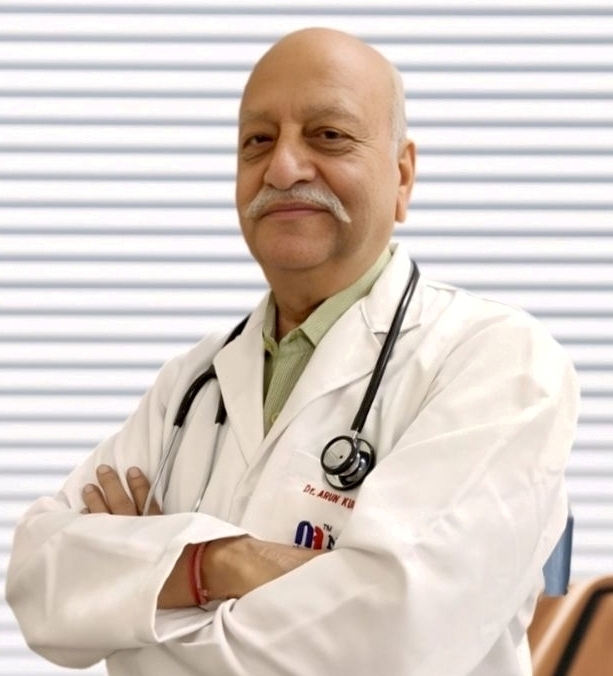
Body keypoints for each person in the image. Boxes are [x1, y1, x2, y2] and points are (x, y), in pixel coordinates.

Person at [7, 27, 579, 676]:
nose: (282, 168)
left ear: (401, 176)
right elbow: (37, 581)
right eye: (257, 140)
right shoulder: (191, 384)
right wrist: (219, 562)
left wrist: (137, 593)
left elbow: (389, 640)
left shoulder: (497, 361)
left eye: (327, 135)